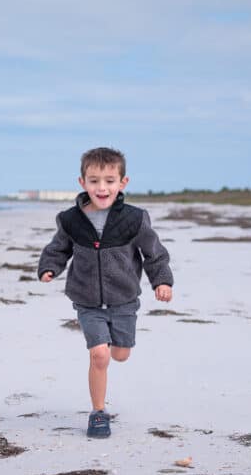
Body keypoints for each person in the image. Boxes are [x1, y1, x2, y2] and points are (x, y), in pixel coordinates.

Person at [38, 147, 173, 438]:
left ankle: (117, 343)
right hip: (86, 300)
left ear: (122, 183)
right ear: (82, 182)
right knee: (100, 355)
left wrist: (162, 281)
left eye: (110, 180)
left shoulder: (134, 219)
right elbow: (58, 248)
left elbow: (155, 254)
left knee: (120, 355)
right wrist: (50, 267)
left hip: (124, 299)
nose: (102, 187)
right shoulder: (70, 220)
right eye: (94, 180)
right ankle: (99, 413)